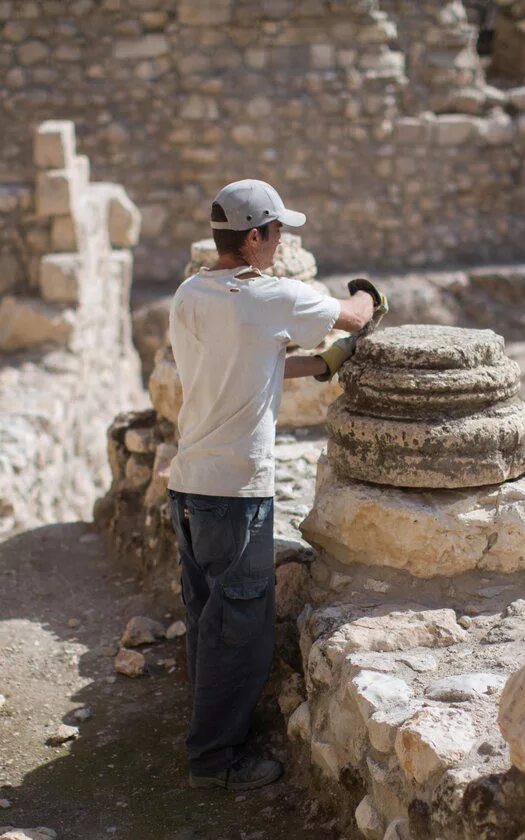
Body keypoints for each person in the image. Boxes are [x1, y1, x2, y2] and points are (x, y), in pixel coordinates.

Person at [166, 179, 387, 791]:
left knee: (207, 617)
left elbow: (244, 363)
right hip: (235, 492)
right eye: (279, 232)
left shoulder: (191, 293)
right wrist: (367, 293)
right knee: (239, 633)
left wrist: (320, 366)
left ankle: (204, 733)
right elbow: (355, 315)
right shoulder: (269, 296)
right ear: (256, 237)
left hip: (188, 486)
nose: (284, 242)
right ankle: (216, 761)